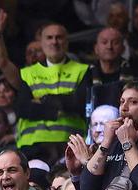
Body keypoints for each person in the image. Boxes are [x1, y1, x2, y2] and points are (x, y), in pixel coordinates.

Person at [15, 23, 91, 163]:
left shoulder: (83, 70)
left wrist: (44, 100)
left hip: (72, 145)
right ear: (41, 43)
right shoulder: (27, 73)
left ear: (66, 42)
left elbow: (81, 104)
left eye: (59, 37)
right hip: (34, 146)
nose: (54, 42)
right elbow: (22, 109)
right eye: (49, 38)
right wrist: (61, 106)